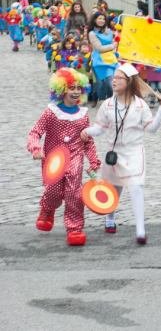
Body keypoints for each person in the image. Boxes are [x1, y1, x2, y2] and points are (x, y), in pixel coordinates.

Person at [81, 63, 161, 245]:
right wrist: (86, 131)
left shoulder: (140, 105)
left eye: (118, 78)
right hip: (114, 153)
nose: (114, 81)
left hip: (134, 152)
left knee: (136, 186)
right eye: (114, 78)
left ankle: (140, 230)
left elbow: (151, 129)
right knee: (114, 188)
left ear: (129, 81)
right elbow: (100, 128)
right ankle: (110, 218)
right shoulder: (107, 104)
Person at [27, 68, 101, 246]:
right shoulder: (51, 112)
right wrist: (36, 148)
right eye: (71, 88)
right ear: (61, 90)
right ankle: (47, 209)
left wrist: (93, 160)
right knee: (53, 191)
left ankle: (74, 228)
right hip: (54, 158)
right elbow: (35, 132)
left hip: (75, 157)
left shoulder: (83, 115)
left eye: (79, 88)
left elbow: (88, 140)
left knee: (74, 193)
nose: (76, 92)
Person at [88, 12, 118, 102]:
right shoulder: (92, 33)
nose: (102, 20)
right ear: (94, 20)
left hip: (111, 60)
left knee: (111, 83)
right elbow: (99, 48)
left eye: (103, 19)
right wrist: (113, 46)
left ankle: (111, 101)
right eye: (99, 18)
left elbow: (116, 39)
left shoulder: (109, 31)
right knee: (101, 84)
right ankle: (102, 100)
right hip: (99, 61)